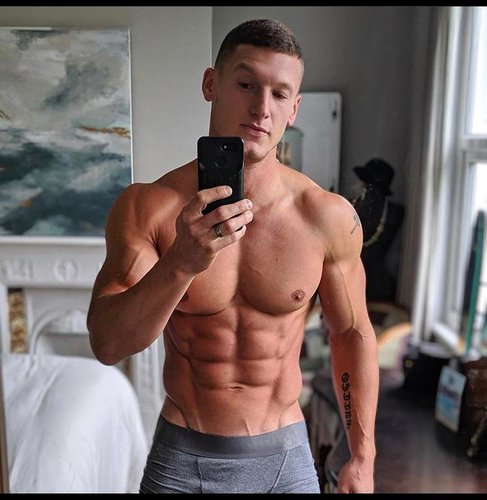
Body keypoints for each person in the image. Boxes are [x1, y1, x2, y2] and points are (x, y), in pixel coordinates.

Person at [87, 19, 379, 494]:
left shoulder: (326, 217)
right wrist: (180, 263)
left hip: (285, 463)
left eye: (279, 94)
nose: (262, 108)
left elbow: (352, 333)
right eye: (246, 85)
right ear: (211, 85)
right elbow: (108, 345)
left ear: (294, 109)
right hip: (182, 462)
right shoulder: (148, 208)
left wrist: (362, 457)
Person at [350, 158, 405, 301]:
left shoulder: (394, 212)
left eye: (359, 181)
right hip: (359, 279)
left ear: (365, 187)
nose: (354, 185)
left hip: (373, 284)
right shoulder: (351, 207)